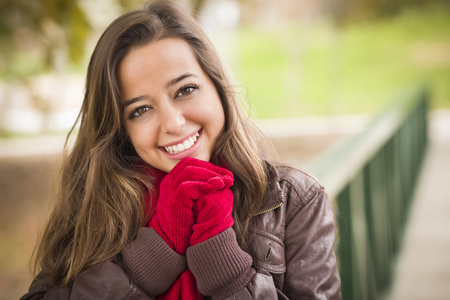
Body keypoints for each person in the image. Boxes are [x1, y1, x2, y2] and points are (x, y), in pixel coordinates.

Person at [21, 1, 341, 299]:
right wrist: (151, 257)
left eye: (185, 90)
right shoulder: (96, 205)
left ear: (218, 88)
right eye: (140, 110)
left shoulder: (294, 200)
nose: (173, 123)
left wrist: (225, 271)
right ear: (120, 129)